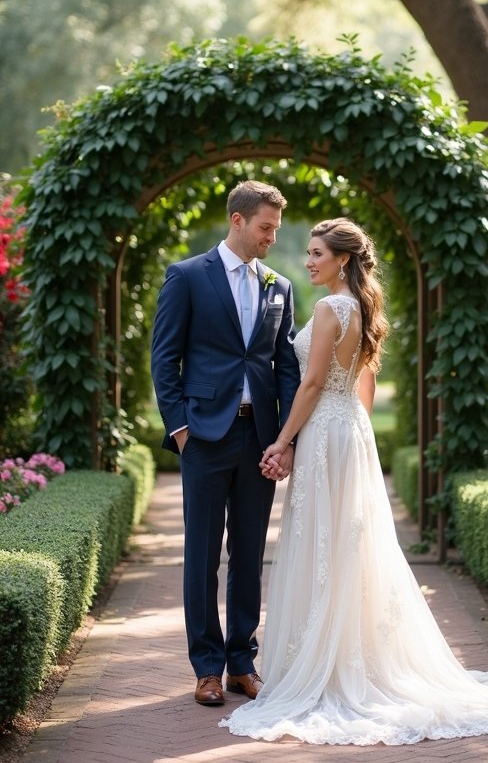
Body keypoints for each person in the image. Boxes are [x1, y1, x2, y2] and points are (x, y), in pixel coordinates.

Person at [219, 217, 488, 744]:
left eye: (316, 253)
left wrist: (282, 441)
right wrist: (356, 435)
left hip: (328, 428)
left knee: (325, 543)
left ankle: (328, 664)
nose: (308, 262)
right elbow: (365, 381)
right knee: (348, 545)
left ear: (343, 259)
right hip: (350, 428)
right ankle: (349, 652)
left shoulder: (331, 308)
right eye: (307, 253)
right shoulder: (366, 305)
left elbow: (308, 384)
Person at [150, 180, 300, 708]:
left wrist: (286, 440)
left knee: (250, 553)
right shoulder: (187, 276)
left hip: (259, 437)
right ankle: (206, 668)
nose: (271, 239)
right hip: (205, 437)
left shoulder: (279, 285)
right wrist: (181, 428)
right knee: (202, 555)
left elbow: (285, 369)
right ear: (237, 221)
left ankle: (242, 662)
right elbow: (164, 359)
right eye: (265, 228)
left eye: (276, 230)